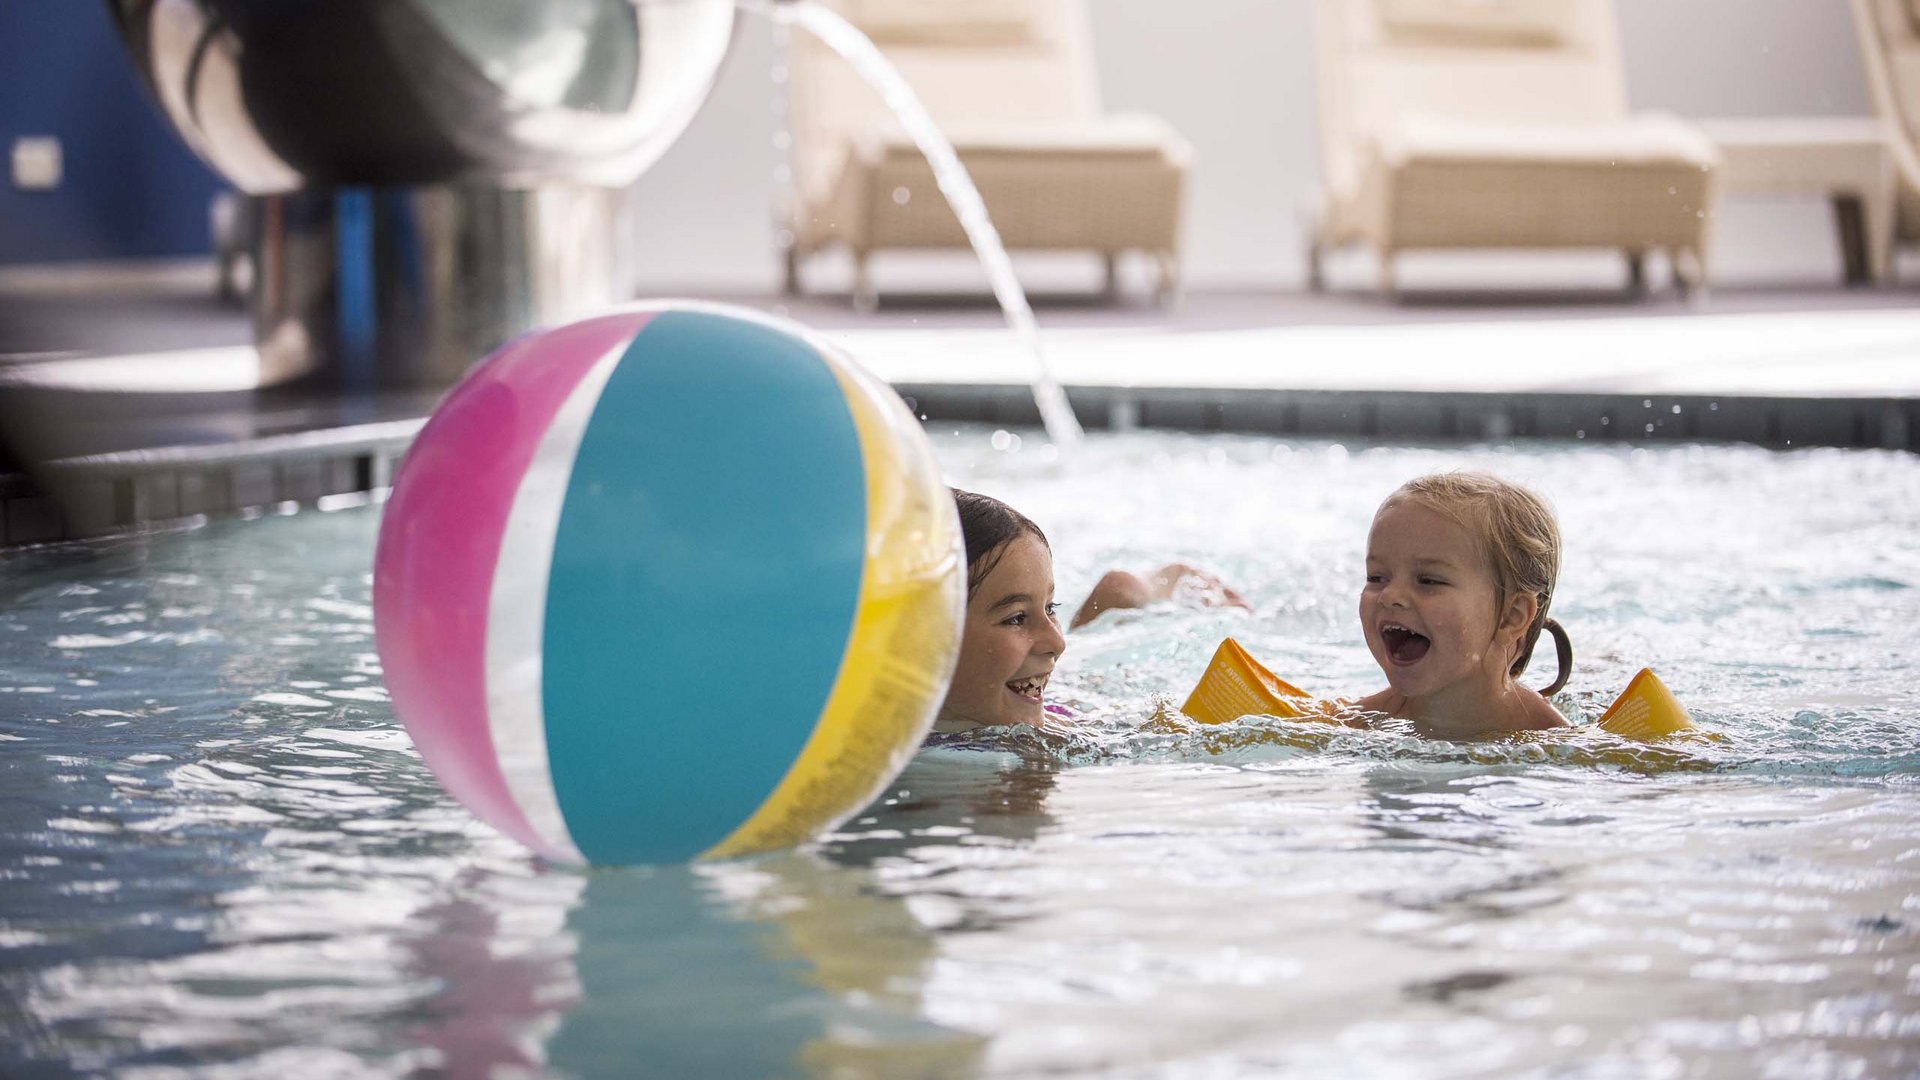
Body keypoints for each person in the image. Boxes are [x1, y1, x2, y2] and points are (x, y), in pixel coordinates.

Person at [933, 489, 1244, 734]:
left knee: (1092, 661)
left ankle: (1135, 588)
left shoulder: (1041, 733)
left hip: (1064, 698)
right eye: (1016, 618)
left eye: (1050, 608)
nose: (1057, 642)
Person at [1347, 471, 1572, 737]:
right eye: (1377, 577)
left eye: (1428, 581)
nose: (1389, 595)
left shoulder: (1550, 736)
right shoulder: (1360, 722)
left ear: (1511, 616)